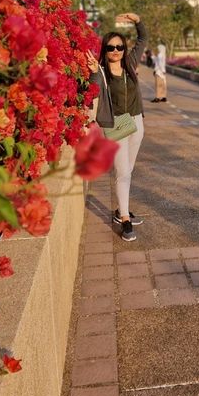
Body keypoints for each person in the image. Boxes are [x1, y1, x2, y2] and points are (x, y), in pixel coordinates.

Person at [86, 13, 147, 242]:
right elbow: (95, 88)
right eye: (111, 47)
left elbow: (143, 39)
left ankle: (121, 209)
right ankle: (124, 218)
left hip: (136, 122)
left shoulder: (130, 64)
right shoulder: (102, 71)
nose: (115, 51)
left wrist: (137, 20)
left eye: (119, 47)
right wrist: (93, 71)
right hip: (116, 125)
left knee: (127, 171)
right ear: (105, 49)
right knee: (123, 172)